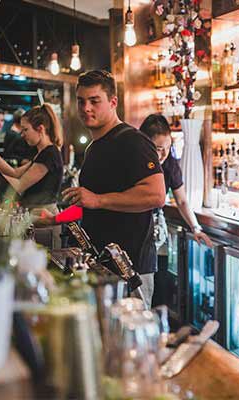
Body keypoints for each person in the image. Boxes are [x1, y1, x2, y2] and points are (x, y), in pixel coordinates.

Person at [61, 70, 165, 309]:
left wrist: (98, 200)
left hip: (130, 269)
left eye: (94, 101)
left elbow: (156, 195)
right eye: (81, 101)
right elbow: (91, 205)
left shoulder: (133, 142)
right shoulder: (94, 147)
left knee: (131, 339)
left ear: (113, 102)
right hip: (102, 265)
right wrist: (54, 219)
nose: (86, 108)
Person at [139, 114, 212, 307]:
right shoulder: (133, 163)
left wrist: (196, 228)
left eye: (167, 148)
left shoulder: (170, 165)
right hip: (133, 230)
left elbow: (182, 200)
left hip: (156, 232)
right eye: (157, 148)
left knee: (159, 282)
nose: (162, 154)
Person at [0, 104, 64, 248]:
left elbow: (19, 185)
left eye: (25, 130)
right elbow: (14, 173)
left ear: (40, 129)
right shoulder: (41, 152)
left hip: (44, 218)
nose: (22, 134)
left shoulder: (50, 154)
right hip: (36, 216)